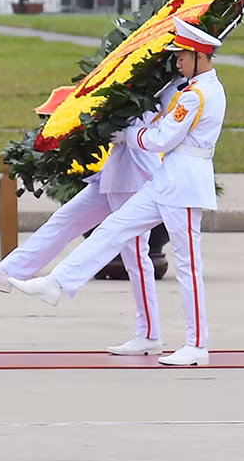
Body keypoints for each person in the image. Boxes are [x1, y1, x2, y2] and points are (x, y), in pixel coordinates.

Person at [13, 21, 224, 366]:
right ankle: (58, 283)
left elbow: (160, 140)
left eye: (183, 57)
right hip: (167, 179)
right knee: (114, 228)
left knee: (188, 265)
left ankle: (197, 344)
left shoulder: (198, 95)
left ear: (200, 56)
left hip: (184, 185)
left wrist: (129, 134)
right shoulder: (188, 89)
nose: (178, 63)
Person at [0, 99, 163, 356]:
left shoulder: (161, 83)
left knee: (135, 257)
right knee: (63, 221)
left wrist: (119, 130)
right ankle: (8, 271)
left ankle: (149, 334)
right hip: (113, 173)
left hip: (135, 176)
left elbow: (155, 128)